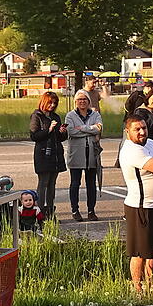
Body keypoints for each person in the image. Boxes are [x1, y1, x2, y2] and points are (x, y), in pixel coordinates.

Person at [118, 115, 153, 293]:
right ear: (128, 132)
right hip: (140, 207)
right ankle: (137, 288)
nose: (142, 132)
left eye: (144, 128)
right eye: (137, 129)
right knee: (140, 253)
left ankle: (152, 285)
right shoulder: (131, 150)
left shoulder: (149, 143)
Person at [30, 91, 68, 220]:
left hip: (55, 154)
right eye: (50, 102)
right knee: (43, 183)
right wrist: (49, 130)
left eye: (55, 103)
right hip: (43, 154)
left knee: (52, 184)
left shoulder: (56, 117)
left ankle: (51, 213)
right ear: (44, 102)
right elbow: (34, 136)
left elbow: (60, 138)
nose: (52, 105)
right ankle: (39, 213)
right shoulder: (37, 116)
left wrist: (62, 132)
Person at [65, 90, 102, 222]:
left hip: (91, 154)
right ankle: (75, 210)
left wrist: (82, 128)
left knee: (91, 184)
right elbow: (71, 131)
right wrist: (90, 130)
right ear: (75, 101)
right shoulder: (70, 116)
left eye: (85, 99)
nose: (82, 101)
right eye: (79, 99)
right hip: (76, 154)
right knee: (75, 183)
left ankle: (91, 210)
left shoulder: (95, 114)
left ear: (88, 101)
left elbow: (99, 128)